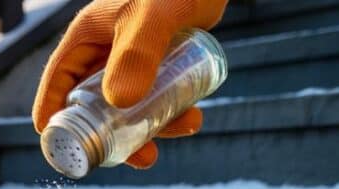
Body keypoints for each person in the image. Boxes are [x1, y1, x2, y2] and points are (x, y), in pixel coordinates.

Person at [32, 0, 228, 169]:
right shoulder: (112, 149)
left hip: (195, 50)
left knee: (126, 91)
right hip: (202, 59)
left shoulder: (78, 96)